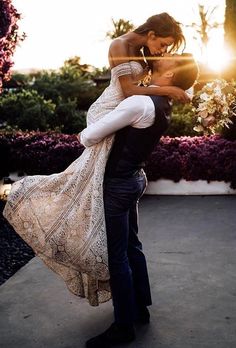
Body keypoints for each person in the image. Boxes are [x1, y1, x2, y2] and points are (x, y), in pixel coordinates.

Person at [3, 13, 189, 307]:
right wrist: (171, 89)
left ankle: (129, 315)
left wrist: (174, 84)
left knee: (120, 245)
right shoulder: (119, 45)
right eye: (163, 44)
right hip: (110, 110)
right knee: (126, 240)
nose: (163, 51)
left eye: (167, 48)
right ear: (151, 33)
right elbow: (128, 91)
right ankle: (136, 308)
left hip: (124, 117)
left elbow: (149, 87)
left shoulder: (143, 52)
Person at [78, 53, 199, 348]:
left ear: (170, 76)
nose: (163, 55)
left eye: (172, 58)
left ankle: (123, 327)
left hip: (119, 184)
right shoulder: (162, 102)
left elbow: (88, 136)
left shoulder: (139, 102)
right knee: (133, 246)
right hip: (135, 179)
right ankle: (139, 308)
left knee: (118, 255)